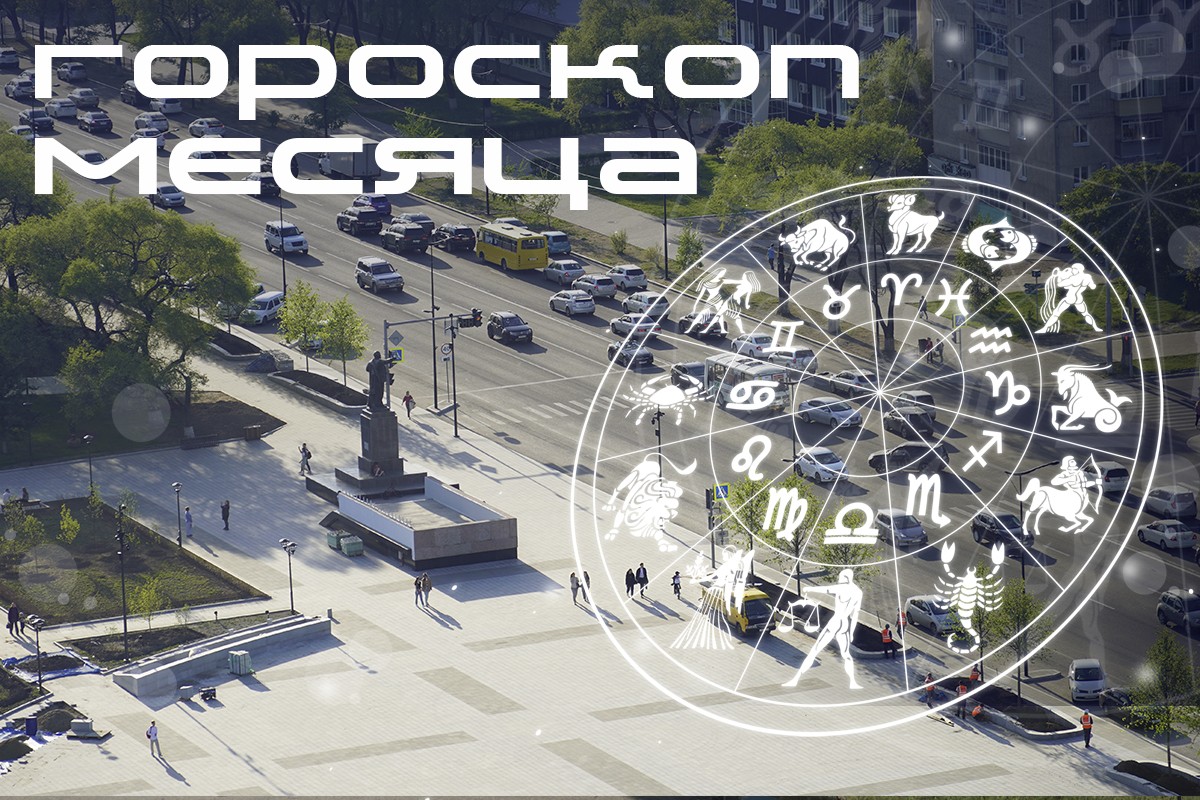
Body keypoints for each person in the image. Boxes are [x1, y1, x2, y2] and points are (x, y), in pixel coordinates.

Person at [783, 569, 864, 690]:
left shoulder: (841, 588)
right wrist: (851, 632)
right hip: (845, 624)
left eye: (841, 577)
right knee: (846, 654)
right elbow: (855, 614)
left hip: (835, 622)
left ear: (846, 578)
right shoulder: (858, 592)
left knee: (814, 650)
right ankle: (853, 682)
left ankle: (795, 679)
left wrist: (809, 589)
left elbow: (825, 589)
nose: (839, 580)